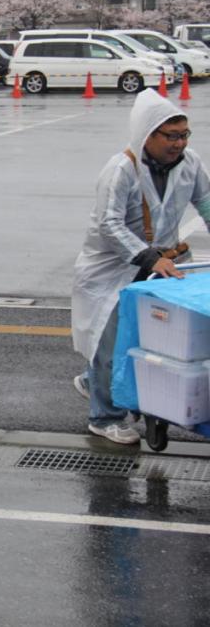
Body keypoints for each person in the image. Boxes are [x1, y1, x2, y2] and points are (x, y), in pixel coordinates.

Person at [71, 88, 210, 445]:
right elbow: (110, 225)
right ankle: (104, 417)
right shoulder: (121, 170)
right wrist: (150, 258)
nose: (179, 144)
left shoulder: (190, 164)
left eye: (184, 135)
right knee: (111, 340)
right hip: (112, 268)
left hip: (162, 263)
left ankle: (93, 382)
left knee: (157, 338)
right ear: (147, 134)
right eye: (171, 136)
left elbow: (207, 204)